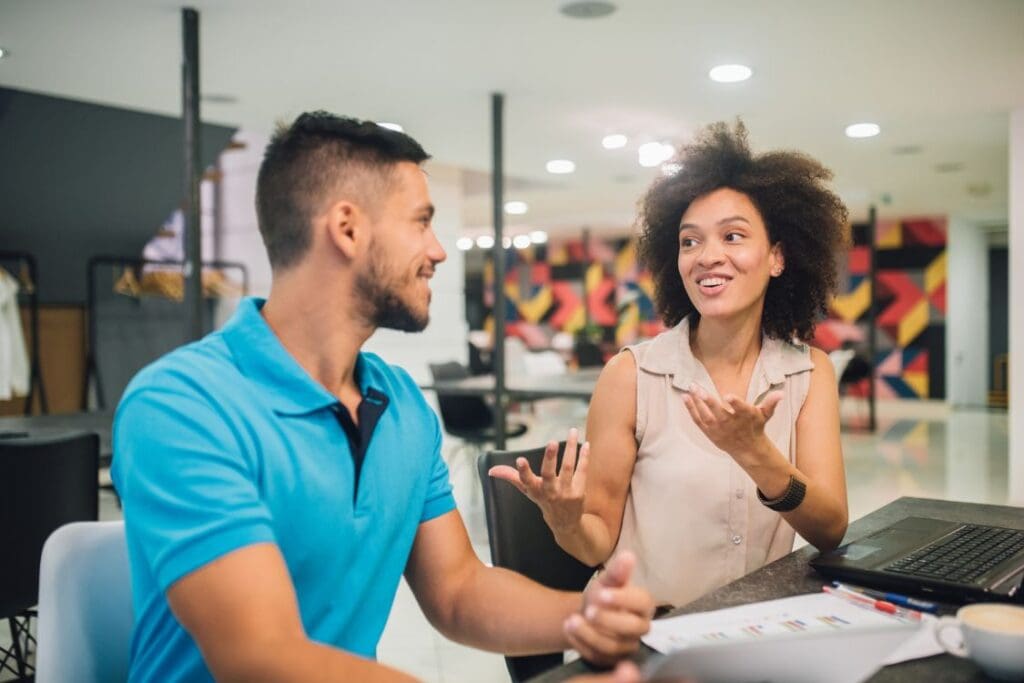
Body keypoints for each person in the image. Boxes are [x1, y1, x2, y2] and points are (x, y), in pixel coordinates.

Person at [111, 112, 654, 682]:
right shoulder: (181, 406)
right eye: (421, 222)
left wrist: (583, 615)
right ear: (347, 229)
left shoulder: (399, 405)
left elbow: (458, 591)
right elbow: (261, 657)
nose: (439, 250)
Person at [491, 121, 849, 608]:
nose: (708, 257)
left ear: (777, 258)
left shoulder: (810, 374)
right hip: (644, 634)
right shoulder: (631, 375)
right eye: (690, 241)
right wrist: (567, 520)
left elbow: (831, 530)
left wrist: (756, 454)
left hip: (752, 635)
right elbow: (595, 542)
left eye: (733, 236)